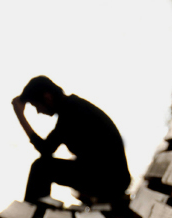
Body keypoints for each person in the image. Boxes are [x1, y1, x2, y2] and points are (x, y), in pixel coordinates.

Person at [12, 76, 131, 205]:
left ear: (47, 98)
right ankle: (34, 211)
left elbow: (46, 150)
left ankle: (28, 216)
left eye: (36, 106)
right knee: (44, 167)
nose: (38, 111)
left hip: (111, 182)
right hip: (113, 179)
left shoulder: (71, 112)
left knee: (41, 168)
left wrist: (20, 116)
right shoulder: (72, 107)